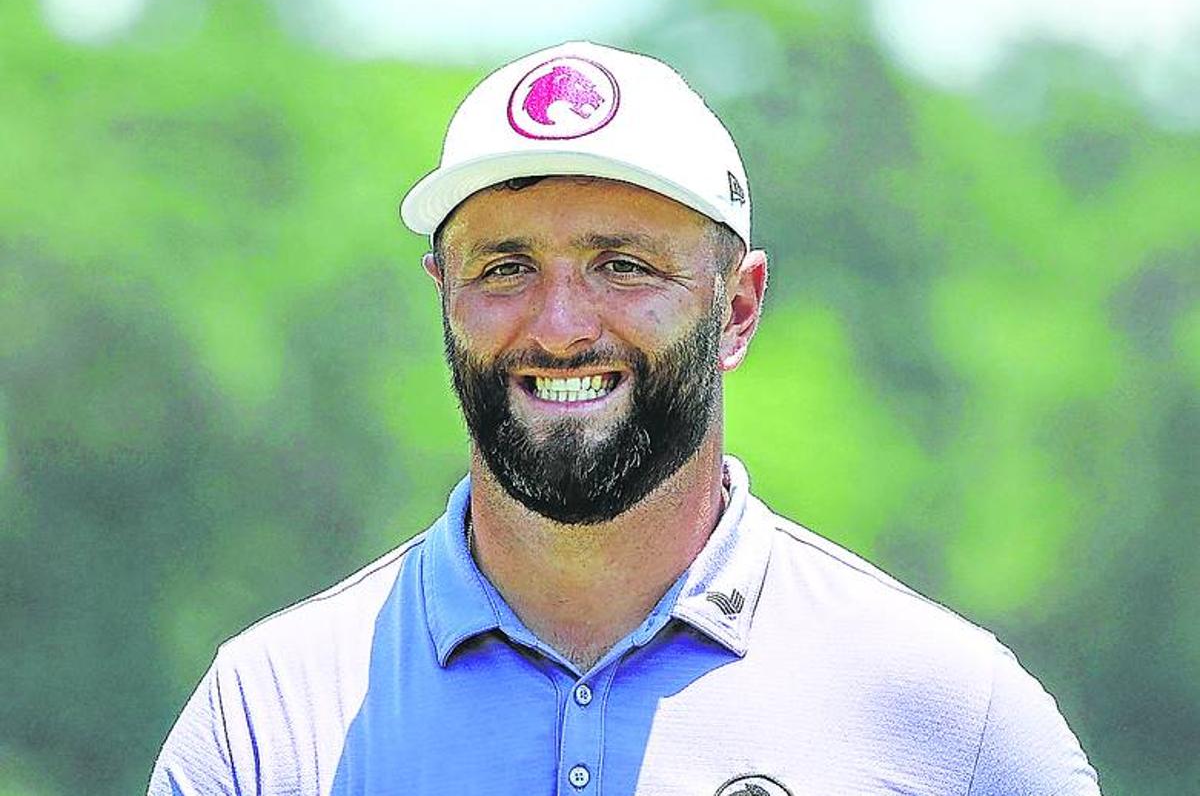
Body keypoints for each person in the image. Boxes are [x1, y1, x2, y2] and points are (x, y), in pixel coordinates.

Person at [148, 41, 1101, 796]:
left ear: (736, 308)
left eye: (625, 266)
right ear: (443, 295)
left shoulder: (950, 720)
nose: (560, 327)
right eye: (505, 268)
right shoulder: (268, 719)